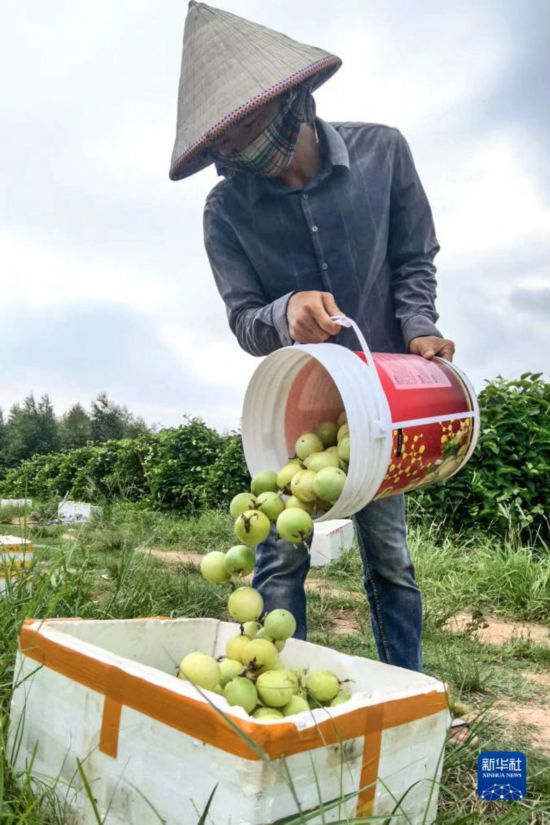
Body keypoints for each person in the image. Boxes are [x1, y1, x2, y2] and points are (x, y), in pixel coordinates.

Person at [169, 2, 455, 675]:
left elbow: (413, 259)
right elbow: (245, 318)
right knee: (277, 553)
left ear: (291, 99)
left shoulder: (384, 153)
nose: (239, 145)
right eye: (224, 138)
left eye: (247, 122)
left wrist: (420, 329)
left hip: (381, 407)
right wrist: (283, 310)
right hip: (299, 413)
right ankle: (270, 677)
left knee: (390, 558)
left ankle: (404, 687)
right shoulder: (227, 210)